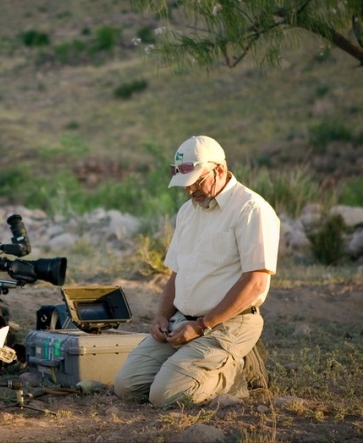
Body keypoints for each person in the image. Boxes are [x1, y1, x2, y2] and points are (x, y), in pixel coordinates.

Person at [113, 135, 280, 405]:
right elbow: (177, 272)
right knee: (127, 385)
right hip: (183, 321)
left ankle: (235, 373)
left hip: (229, 324)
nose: (190, 191)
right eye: (185, 186)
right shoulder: (187, 211)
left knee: (166, 395)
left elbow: (256, 283)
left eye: (196, 182)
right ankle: (198, 365)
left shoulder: (251, 209)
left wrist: (202, 326)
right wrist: (161, 317)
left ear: (220, 170)